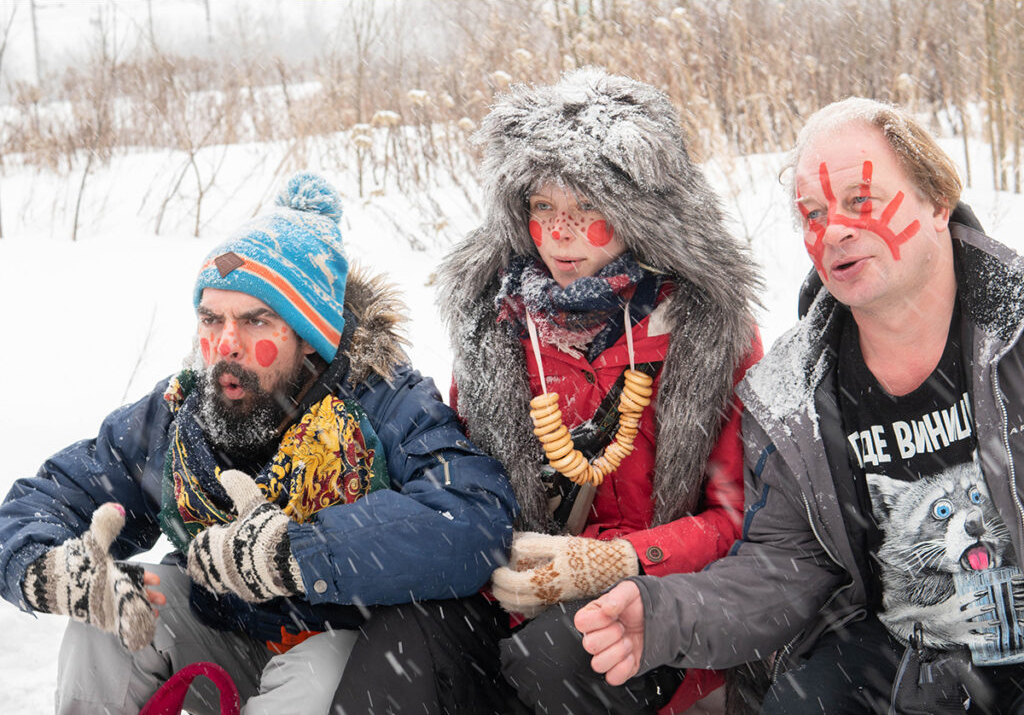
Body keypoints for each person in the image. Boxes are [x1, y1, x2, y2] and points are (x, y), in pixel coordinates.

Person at [0, 172, 517, 715]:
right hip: (219, 629)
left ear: (309, 334)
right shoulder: (180, 413)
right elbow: (50, 496)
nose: (225, 344)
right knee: (105, 622)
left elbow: (475, 517)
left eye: (255, 321)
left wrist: (297, 553)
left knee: (316, 677)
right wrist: (45, 567)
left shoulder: (386, 402)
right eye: (211, 319)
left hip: (343, 648)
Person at [334, 68, 762, 714]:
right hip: (509, 598)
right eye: (543, 209)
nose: (560, 234)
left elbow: (740, 521)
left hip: (659, 607)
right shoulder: (494, 323)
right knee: (407, 636)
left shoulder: (709, 330)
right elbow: (464, 484)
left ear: (637, 215)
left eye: (586, 210)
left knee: (561, 654)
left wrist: (615, 560)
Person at [575, 98, 1024, 714]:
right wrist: (666, 615)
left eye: (860, 201)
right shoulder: (793, 392)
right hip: (899, 656)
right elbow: (786, 566)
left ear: (937, 201)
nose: (832, 230)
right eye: (812, 213)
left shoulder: (1017, 329)